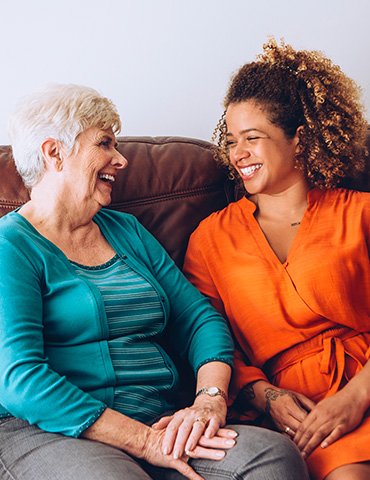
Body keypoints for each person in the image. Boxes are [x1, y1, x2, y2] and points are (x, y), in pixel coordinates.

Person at [0, 83, 308, 480]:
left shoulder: (125, 230)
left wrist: (208, 401)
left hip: (159, 421)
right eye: (105, 144)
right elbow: (20, 380)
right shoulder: (11, 247)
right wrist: (142, 441)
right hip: (52, 432)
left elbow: (199, 319)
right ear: (54, 153)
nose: (121, 159)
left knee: (271, 458)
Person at [183, 38, 370, 480]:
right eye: (231, 141)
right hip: (291, 413)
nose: (239, 153)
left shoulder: (360, 214)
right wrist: (266, 395)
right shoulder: (210, 238)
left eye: (254, 138)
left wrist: (356, 397)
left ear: (299, 139)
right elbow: (207, 339)